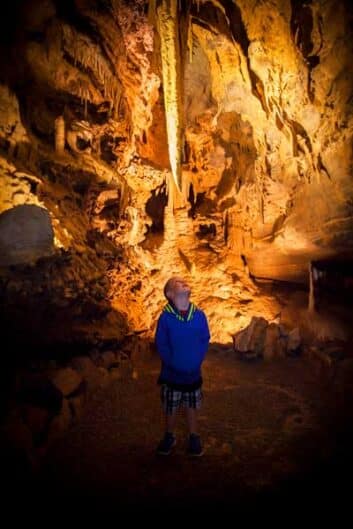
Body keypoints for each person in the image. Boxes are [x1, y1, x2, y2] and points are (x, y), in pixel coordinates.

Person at [155, 276, 210, 456]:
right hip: (172, 375)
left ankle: (194, 436)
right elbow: (161, 344)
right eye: (177, 283)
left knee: (191, 405)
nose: (183, 283)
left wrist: (197, 359)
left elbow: (204, 338)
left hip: (193, 373)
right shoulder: (165, 318)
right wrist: (173, 362)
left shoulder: (199, 315)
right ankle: (169, 436)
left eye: (184, 281)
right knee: (171, 407)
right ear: (170, 294)